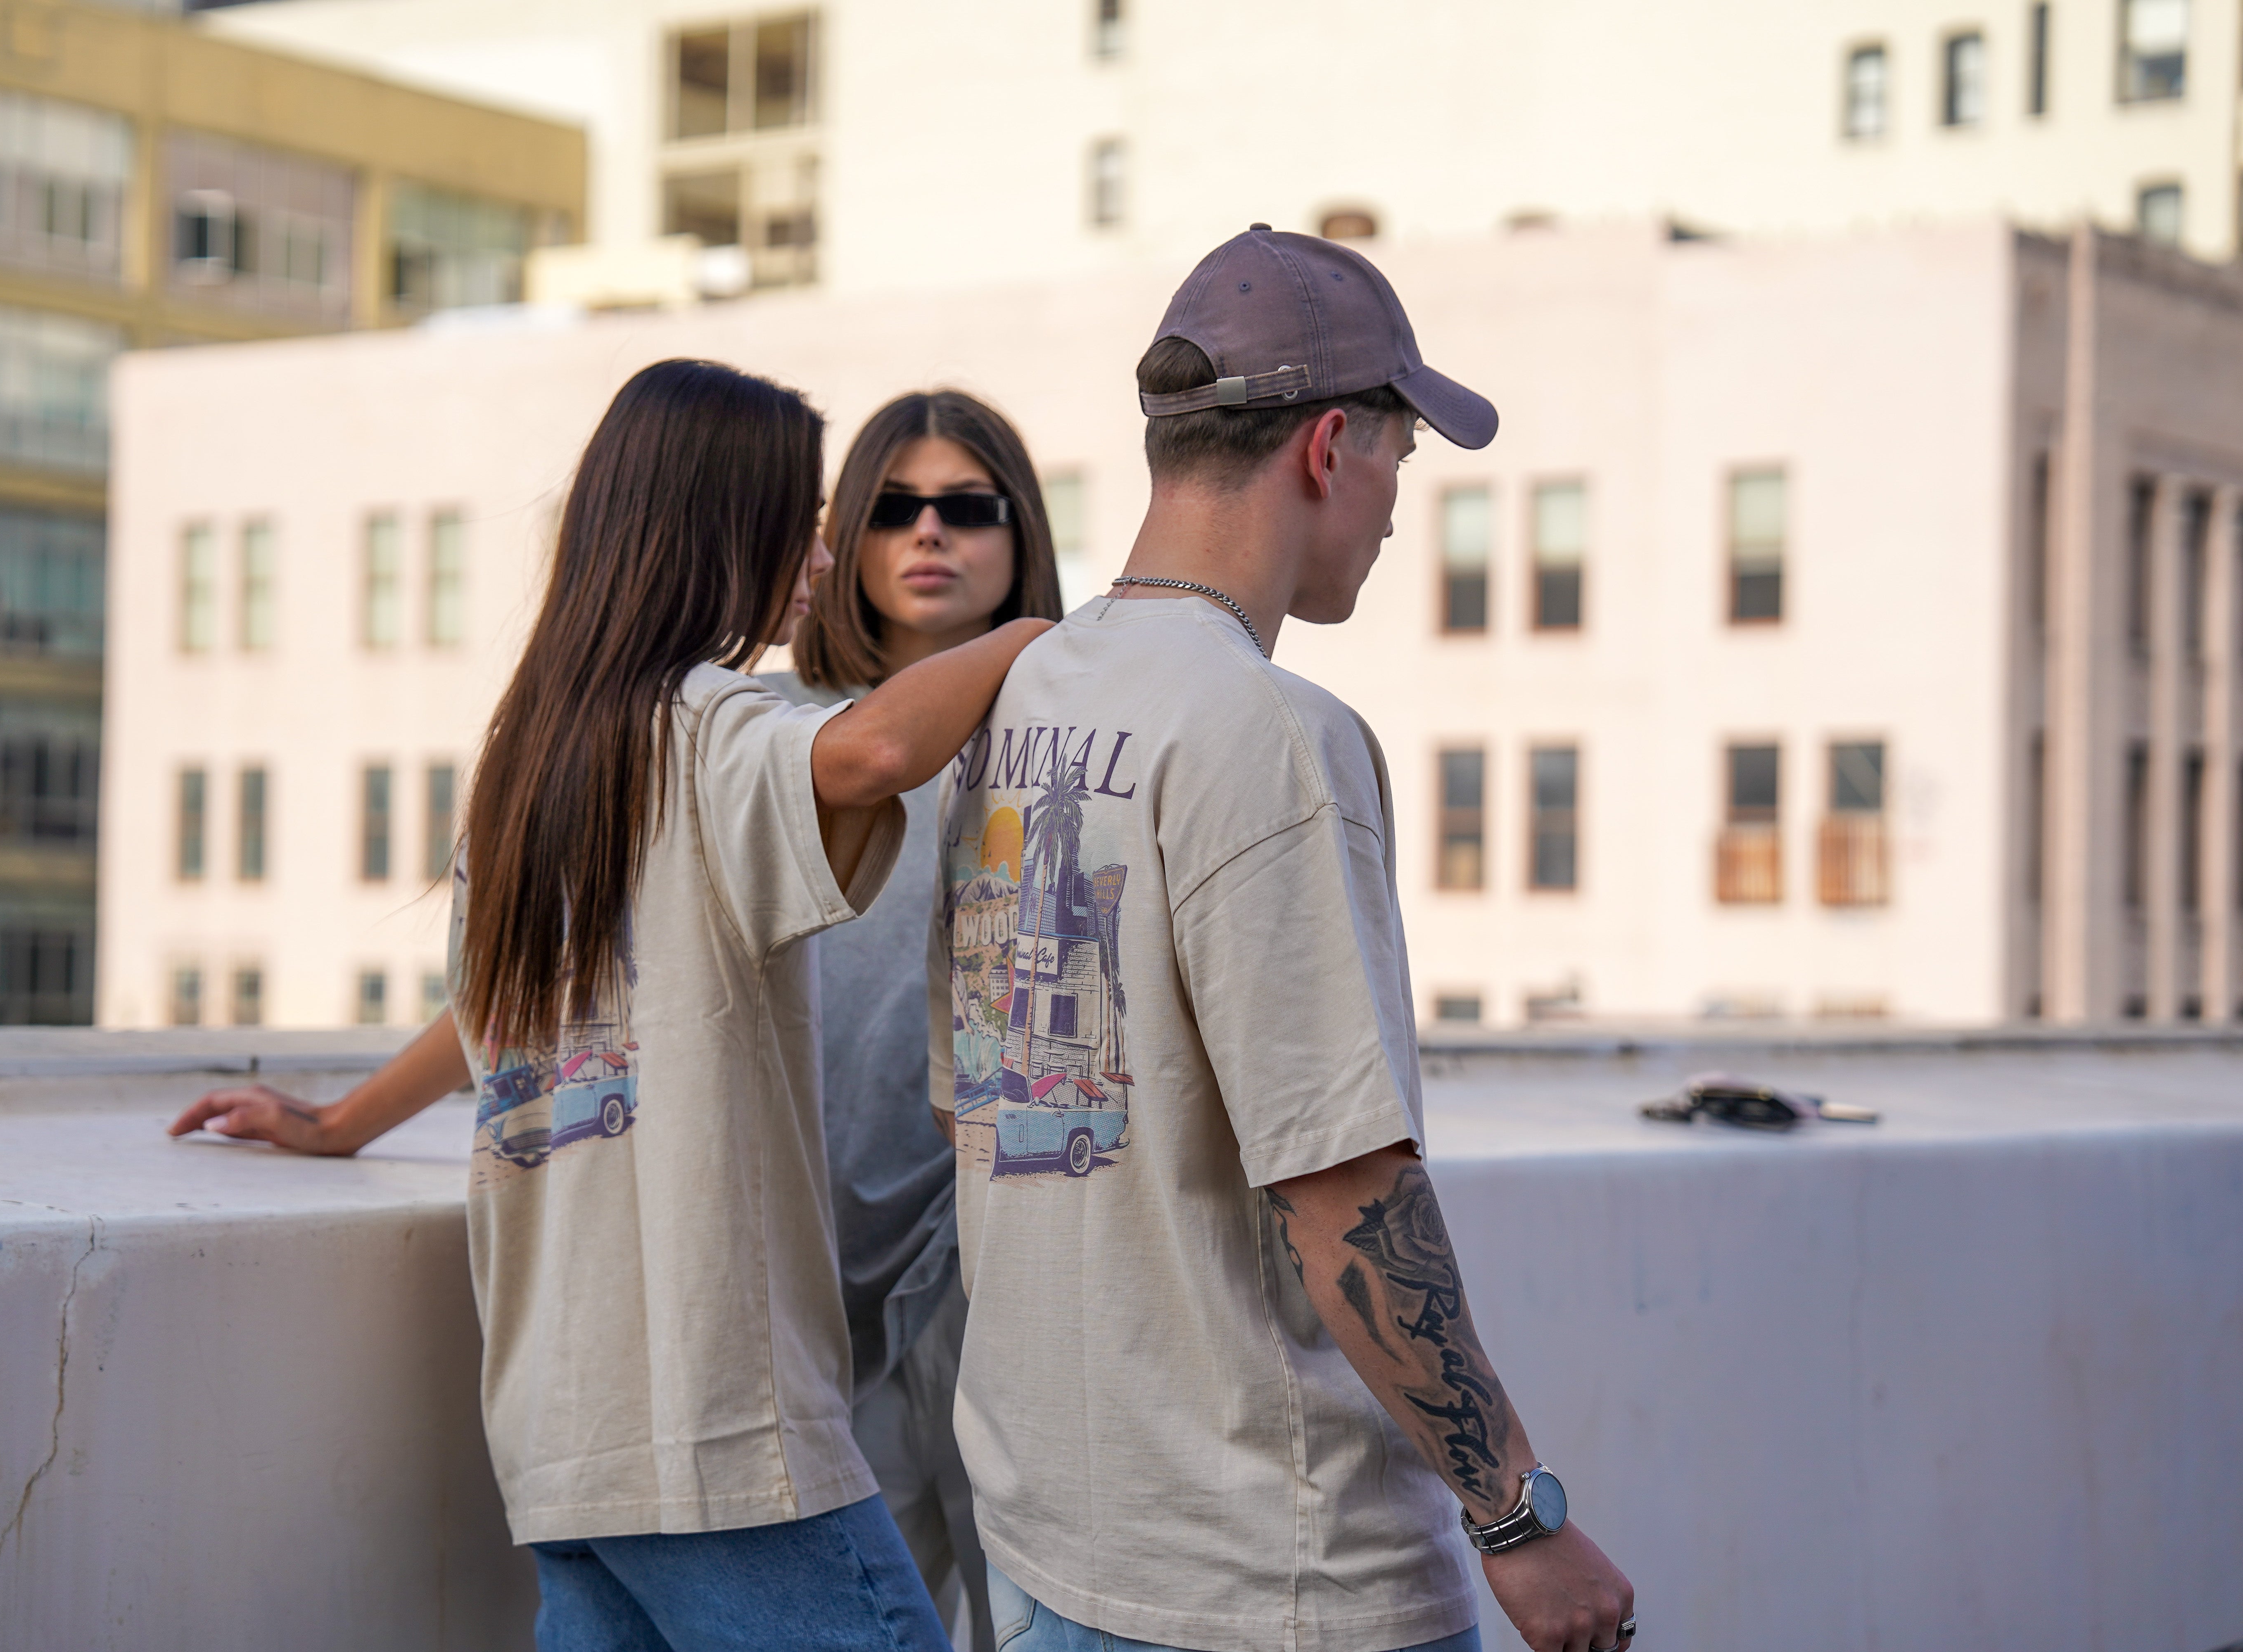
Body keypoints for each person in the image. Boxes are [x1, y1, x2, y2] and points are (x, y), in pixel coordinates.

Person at [169, 358, 1050, 1652]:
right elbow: (869, 753)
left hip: (558, 1434)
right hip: (719, 1429)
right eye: (800, 520)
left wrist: (340, 1125)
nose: (816, 559)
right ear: (719, 527)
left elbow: (499, 1016)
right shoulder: (711, 726)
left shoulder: (533, 758)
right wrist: (1037, 634)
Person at [930, 229, 1638, 1652]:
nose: (1393, 509)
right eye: (1400, 461)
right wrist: (1520, 1519)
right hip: (1266, 1577)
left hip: (1045, 1540)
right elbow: (1344, 1189)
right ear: (1329, 447)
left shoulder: (1017, 698)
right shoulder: (1275, 735)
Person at [766, 389, 1066, 1652]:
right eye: (893, 509)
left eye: (965, 506)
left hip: (1005, 1261)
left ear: (1018, 527)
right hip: (815, 1285)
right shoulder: (772, 737)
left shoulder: (1072, 733)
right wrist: (344, 1121)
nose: (929, 534)